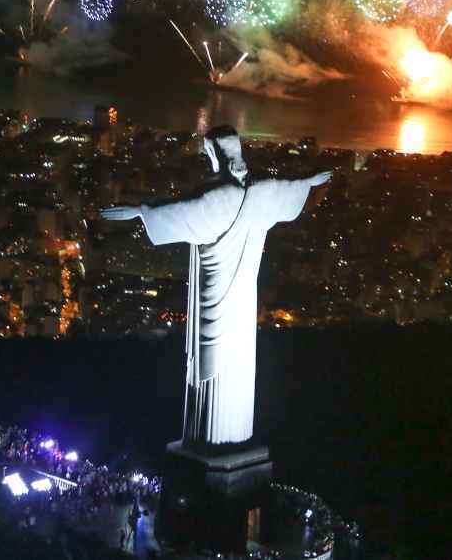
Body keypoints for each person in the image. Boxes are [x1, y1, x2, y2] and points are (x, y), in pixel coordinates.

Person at [102, 126, 330, 447]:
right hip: (243, 300)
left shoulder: (218, 197)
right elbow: (288, 189)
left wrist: (141, 212)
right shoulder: (261, 190)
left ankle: (209, 442)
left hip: (215, 297)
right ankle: (232, 437)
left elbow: (180, 212)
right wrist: (309, 182)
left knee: (212, 362)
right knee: (237, 363)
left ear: (213, 154)